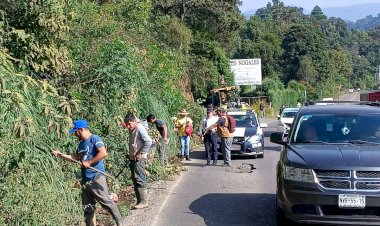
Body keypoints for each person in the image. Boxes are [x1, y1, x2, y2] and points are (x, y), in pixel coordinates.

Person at [51, 120, 123, 226]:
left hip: (96, 177)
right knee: (88, 208)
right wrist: (60, 154)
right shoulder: (81, 145)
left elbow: (103, 153)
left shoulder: (95, 139)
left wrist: (89, 162)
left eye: (75, 132)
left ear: (81, 129)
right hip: (85, 180)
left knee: (106, 203)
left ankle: (120, 223)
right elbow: (75, 158)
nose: (74, 134)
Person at [122, 114, 152, 209]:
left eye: (129, 124)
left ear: (134, 121)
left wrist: (140, 152)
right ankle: (139, 201)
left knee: (139, 177)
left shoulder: (139, 128)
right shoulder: (132, 129)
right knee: (135, 178)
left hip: (139, 158)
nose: (128, 126)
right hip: (133, 158)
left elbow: (148, 141)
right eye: (127, 124)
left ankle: (144, 201)